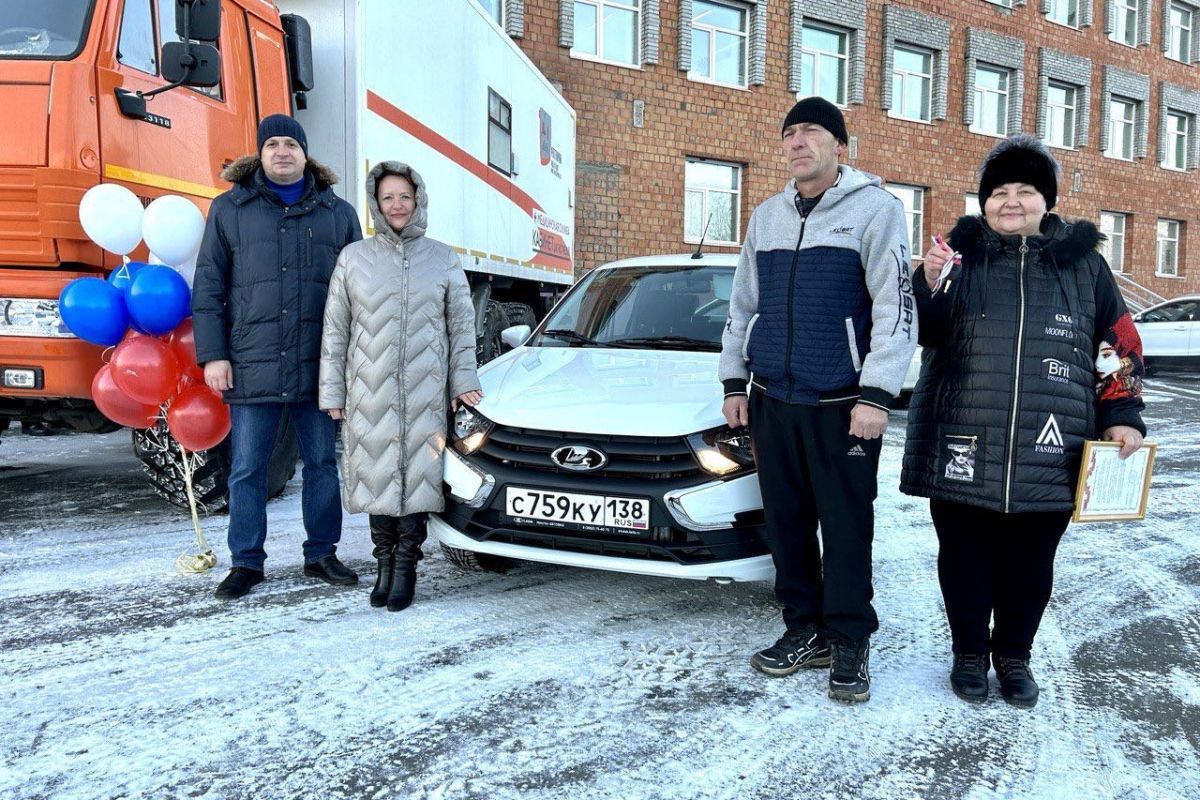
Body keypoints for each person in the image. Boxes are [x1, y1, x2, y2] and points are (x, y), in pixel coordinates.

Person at [901, 133, 1146, 708]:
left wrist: (1124, 412)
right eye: (999, 191)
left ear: (1048, 199)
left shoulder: (1084, 266)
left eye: (1026, 190)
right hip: (964, 434)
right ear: (983, 202)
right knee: (963, 560)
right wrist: (928, 283)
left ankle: (1013, 656)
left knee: (1031, 567)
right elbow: (922, 331)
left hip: (1051, 443)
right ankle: (967, 654)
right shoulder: (960, 256)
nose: (1011, 201)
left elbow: (1119, 344)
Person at [719, 97, 918, 703]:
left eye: (812, 132)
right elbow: (741, 304)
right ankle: (804, 629)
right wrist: (733, 381)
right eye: (791, 133)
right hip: (774, 398)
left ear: (840, 148)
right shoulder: (767, 216)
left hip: (844, 405)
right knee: (787, 528)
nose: (798, 142)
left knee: (847, 527)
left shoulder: (877, 211)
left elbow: (896, 308)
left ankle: (850, 640)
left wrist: (878, 393)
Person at [193, 114, 363, 600]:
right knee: (247, 468)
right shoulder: (229, 209)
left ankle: (322, 553)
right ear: (260, 154)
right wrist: (213, 355)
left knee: (322, 464)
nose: (282, 152)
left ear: (305, 154)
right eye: (273, 144)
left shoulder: (338, 213)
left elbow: (359, 295)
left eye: (292, 143)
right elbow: (208, 288)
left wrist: (353, 363)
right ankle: (246, 562)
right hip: (251, 360)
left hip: (320, 365)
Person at [318, 162, 482, 612]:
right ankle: (383, 563)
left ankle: (405, 565)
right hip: (368, 388)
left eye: (404, 197)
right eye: (388, 197)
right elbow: (336, 329)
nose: (397, 205)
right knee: (375, 475)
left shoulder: (443, 258)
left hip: (426, 390)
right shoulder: (354, 258)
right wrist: (332, 393)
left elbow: (461, 325)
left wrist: (463, 379)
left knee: (418, 476)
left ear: (418, 200)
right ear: (376, 202)